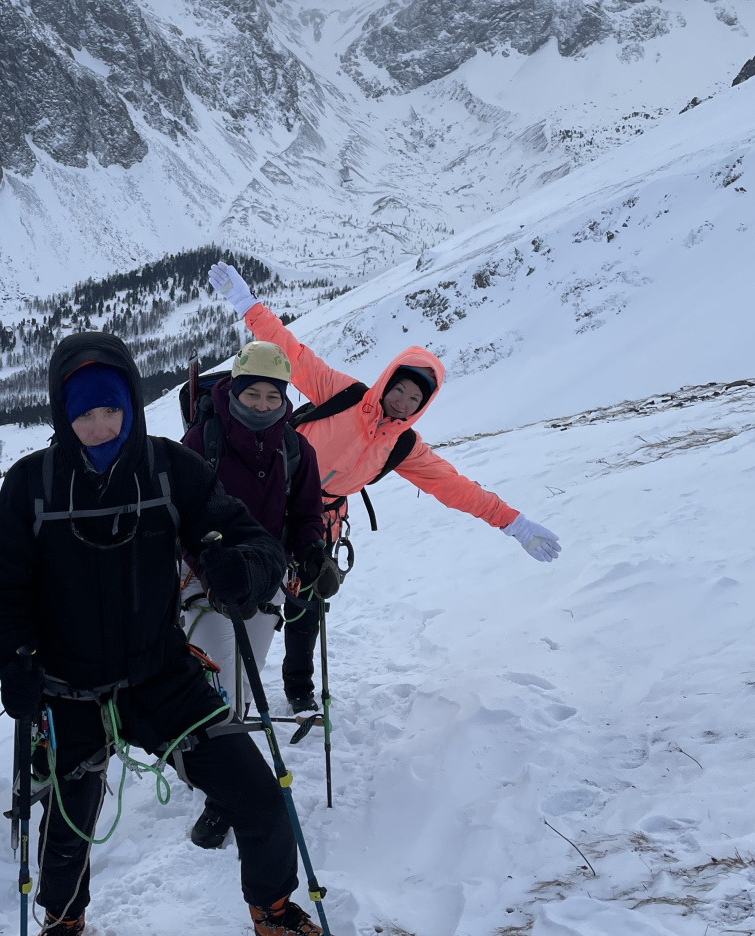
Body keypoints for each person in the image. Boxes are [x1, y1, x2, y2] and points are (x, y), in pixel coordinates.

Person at [0, 332, 347, 936]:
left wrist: (246, 570)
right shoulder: (30, 484)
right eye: (82, 413)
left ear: (131, 406)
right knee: (68, 823)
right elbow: (3, 588)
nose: (97, 425)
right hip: (67, 688)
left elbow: (248, 537)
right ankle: (62, 922)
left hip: (161, 676)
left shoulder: (168, 468)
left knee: (258, 797)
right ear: (62, 413)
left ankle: (273, 913)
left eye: (110, 409)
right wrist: (15, 663)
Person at [207, 260, 562, 707]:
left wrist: (515, 524)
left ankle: (299, 692)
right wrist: (247, 305)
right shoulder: (343, 393)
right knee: (239, 589)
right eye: (400, 390)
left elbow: (455, 487)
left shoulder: (404, 446)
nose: (403, 401)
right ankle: (218, 679)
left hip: (320, 521)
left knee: (306, 607)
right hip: (271, 498)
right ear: (386, 381)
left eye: (415, 399)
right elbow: (290, 353)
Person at [180, 339, 332, 849]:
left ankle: (222, 786)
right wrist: (210, 568)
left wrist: (313, 554)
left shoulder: (296, 448)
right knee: (219, 691)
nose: (263, 405)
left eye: (273, 396)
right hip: (207, 585)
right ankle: (226, 799)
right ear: (235, 390)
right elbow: (180, 517)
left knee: (241, 688)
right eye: (253, 394)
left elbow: (307, 514)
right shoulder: (203, 441)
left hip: (263, 584)